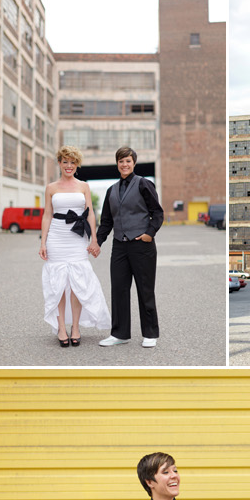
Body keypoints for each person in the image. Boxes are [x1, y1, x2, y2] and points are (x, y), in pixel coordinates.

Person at [40, 145, 110, 347]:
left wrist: (94, 239)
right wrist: (43, 242)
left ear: (77, 165)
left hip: (78, 237)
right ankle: (61, 327)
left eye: (73, 162)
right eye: (65, 162)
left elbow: (89, 213)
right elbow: (47, 215)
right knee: (59, 285)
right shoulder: (51, 188)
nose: (68, 166)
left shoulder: (84, 186)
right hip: (57, 237)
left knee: (78, 283)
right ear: (60, 163)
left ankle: (76, 327)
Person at [96, 146, 164, 349]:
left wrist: (148, 234)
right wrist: (97, 242)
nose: (124, 164)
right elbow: (106, 221)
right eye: (121, 161)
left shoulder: (144, 184)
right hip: (119, 246)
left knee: (145, 290)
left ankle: (150, 333)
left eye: (128, 161)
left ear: (134, 163)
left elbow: (157, 212)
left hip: (141, 246)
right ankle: (120, 333)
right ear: (117, 164)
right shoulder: (111, 190)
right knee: (118, 290)